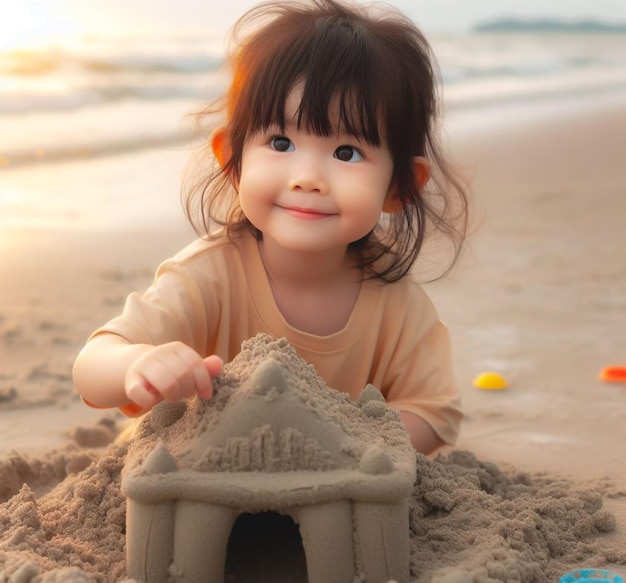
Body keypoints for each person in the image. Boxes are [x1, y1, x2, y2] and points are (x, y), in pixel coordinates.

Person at [73, 0, 469, 455]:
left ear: (399, 187)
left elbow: (435, 413)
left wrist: (345, 442)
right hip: (197, 472)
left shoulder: (397, 303)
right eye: (281, 142)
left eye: (347, 153)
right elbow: (92, 365)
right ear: (232, 161)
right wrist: (137, 364)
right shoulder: (209, 275)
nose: (307, 177)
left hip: (335, 485)